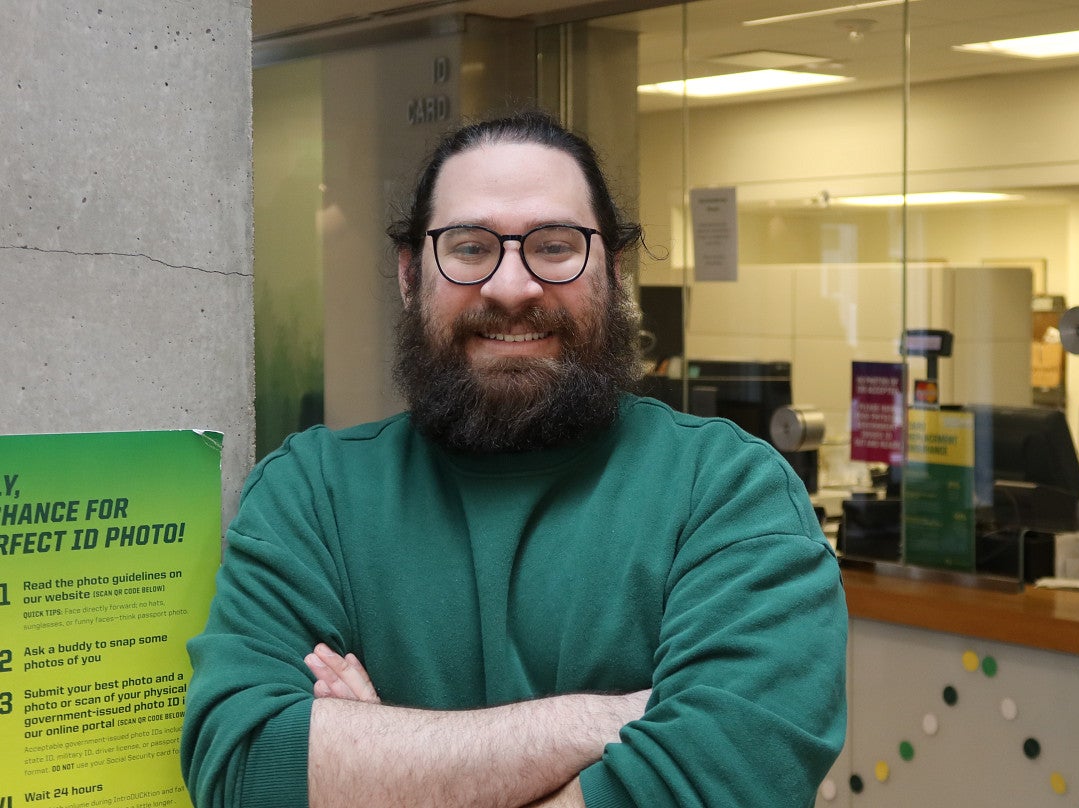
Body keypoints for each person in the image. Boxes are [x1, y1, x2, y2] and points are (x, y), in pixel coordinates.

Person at [180, 109, 848, 808]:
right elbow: (244, 769)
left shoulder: (727, 492)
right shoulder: (311, 495)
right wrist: (606, 720)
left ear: (614, 274)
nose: (510, 287)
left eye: (555, 246)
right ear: (411, 276)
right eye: (469, 248)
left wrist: (387, 765)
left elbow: (726, 778)